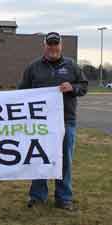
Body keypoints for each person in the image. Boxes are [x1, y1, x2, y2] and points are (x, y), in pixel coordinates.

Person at [18, 32, 88, 210]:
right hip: (39, 123)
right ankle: (37, 195)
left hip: (66, 121)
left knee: (64, 160)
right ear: (45, 46)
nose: (53, 48)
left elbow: (84, 86)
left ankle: (64, 197)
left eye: (56, 44)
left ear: (61, 46)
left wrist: (73, 87)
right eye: (50, 44)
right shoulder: (33, 67)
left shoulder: (71, 65)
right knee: (39, 158)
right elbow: (21, 92)